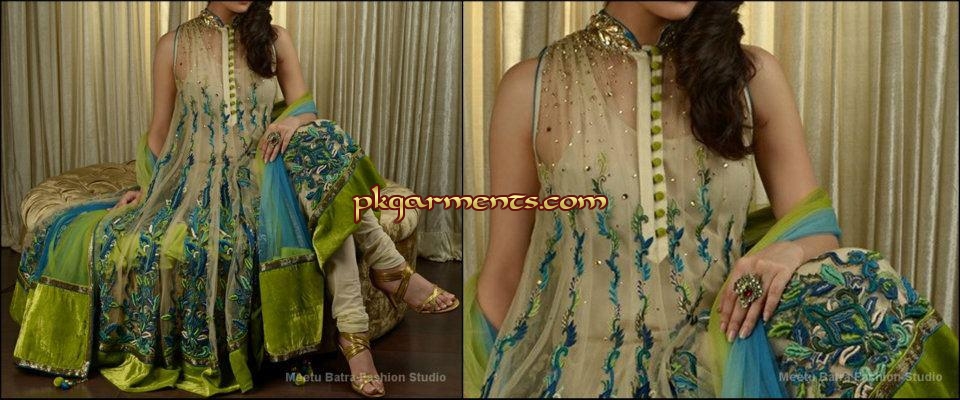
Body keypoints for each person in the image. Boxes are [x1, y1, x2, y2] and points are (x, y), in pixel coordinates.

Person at [464, 1, 958, 398]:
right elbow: (504, 274)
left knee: (857, 282)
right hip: (581, 370)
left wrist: (789, 250)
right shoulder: (532, 87)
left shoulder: (747, 76)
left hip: (720, 359)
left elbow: (817, 229)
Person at [11, 1, 457, 397]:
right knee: (326, 189)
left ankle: (360, 324)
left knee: (322, 143)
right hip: (198, 179)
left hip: (265, 170)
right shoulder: (173, 44)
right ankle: (384, 281)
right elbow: (160, 130)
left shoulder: (274, 37)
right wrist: (150, 188)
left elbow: (304, 108)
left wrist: (290, 123)